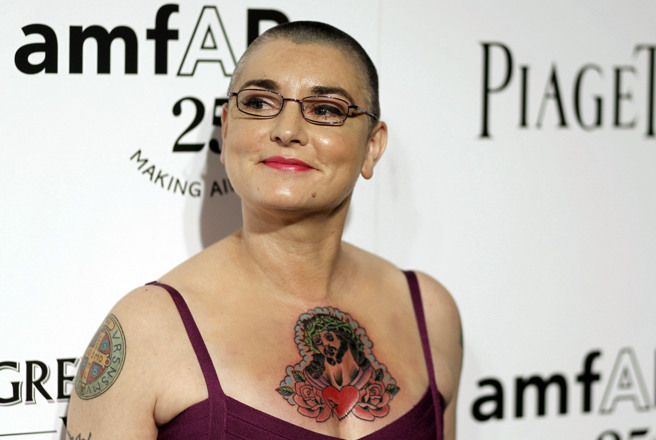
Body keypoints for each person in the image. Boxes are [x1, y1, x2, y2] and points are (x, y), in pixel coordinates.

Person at [66, 20, 462, 440]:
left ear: (372, 146)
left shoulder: (430, 312)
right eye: (258, 103)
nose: (286, 131)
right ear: (227, 128)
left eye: (326, 110)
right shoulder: (148, 330)